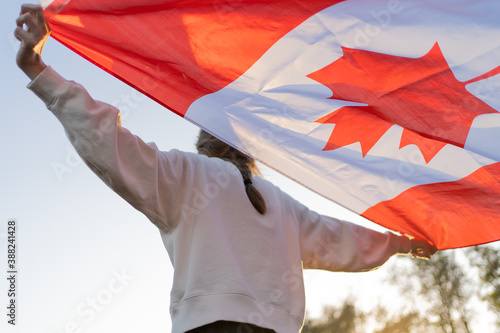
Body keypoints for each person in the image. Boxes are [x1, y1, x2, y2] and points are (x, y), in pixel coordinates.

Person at [15, 4, 436, 333]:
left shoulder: (186, 175)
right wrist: (400, 243)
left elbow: (106, 140)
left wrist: (40, 72)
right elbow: (342, 240)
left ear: (204, 142)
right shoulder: (282, 205)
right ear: (250, 151)